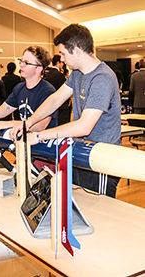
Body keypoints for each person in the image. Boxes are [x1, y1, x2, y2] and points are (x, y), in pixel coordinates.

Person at [10, 24, 121, 198]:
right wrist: (28, 123)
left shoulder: (102, 78)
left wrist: (39, 136)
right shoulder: (77, 74)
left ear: (76, 50)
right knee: (78, 208)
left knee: (100, 215)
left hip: (101, 159)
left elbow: (84, 127)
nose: (61, 59)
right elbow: (55, 100)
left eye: (63, 53)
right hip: (81, 152)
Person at [44, 54, 72, 125]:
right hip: (61, 106)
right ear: (58, 63)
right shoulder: (59, 75)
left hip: (49, 104)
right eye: (61, 62)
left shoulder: (46, 74)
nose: (63, 64)